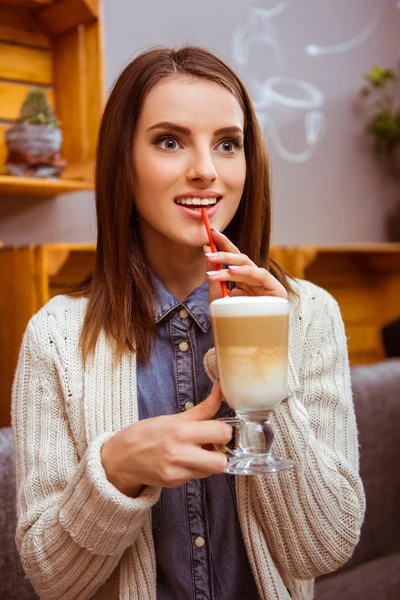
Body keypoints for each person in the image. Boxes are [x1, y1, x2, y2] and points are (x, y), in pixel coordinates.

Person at [12, 46, 365, 600]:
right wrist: (116, 469)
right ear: (121, 163)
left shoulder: (309, 315)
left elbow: (324, 548)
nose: (206, 169)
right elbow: (51, 581)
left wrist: (266, 356)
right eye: (169, 141)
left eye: (228, 144)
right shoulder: (55, 336)